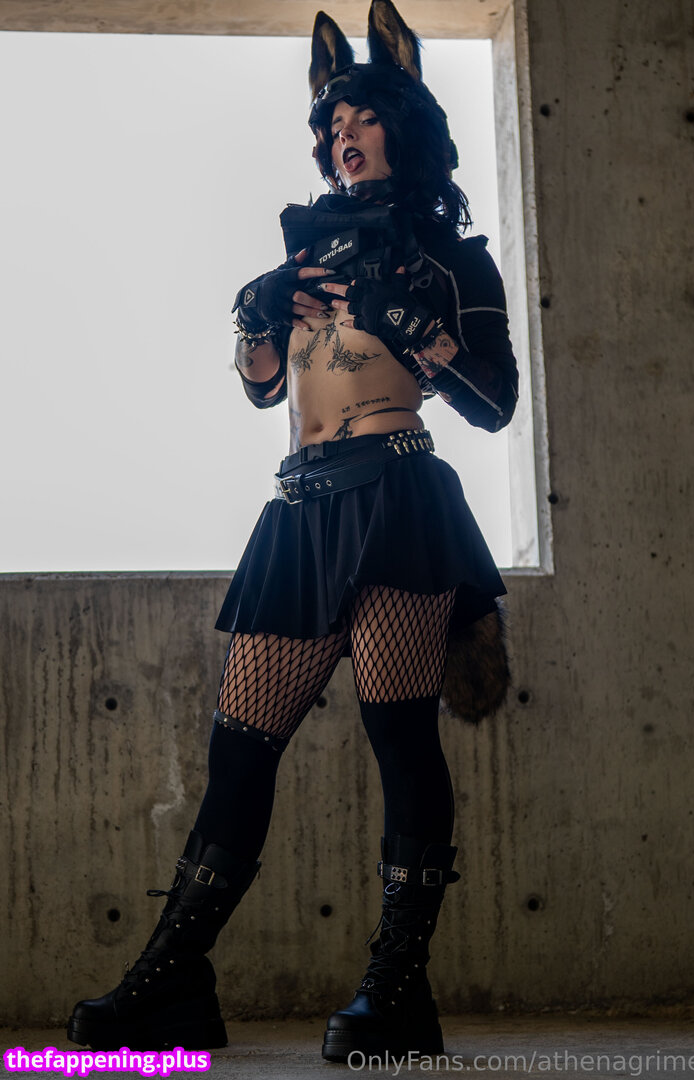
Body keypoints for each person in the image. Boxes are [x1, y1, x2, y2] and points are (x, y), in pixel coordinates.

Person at [67, 0, 519, 1064]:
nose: (340, 135)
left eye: (362, 117)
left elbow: (494, 403)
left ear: (406, 127)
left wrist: (411, 323)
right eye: (329, 124)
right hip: (300, 506)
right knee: (240, 753)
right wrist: (256, 314)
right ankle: (174, 984)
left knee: (400, 738)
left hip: (397, 493)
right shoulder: (313, 253)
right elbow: (263, 386)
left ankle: (395, 993)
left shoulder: (452, 258)